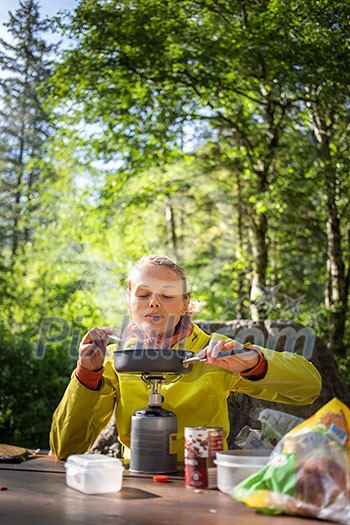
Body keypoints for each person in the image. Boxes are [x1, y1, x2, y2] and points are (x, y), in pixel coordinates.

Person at [49, 254, 322, 462]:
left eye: (167, 295)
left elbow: (309, 388)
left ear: (185, 305)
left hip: (204, 478)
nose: (154, 302)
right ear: (129, 301)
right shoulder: (116, 359)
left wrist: (254, 362)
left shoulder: (215, 351)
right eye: (143, 294)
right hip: (136, 482)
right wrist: (86, 375)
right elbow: (65, 449)